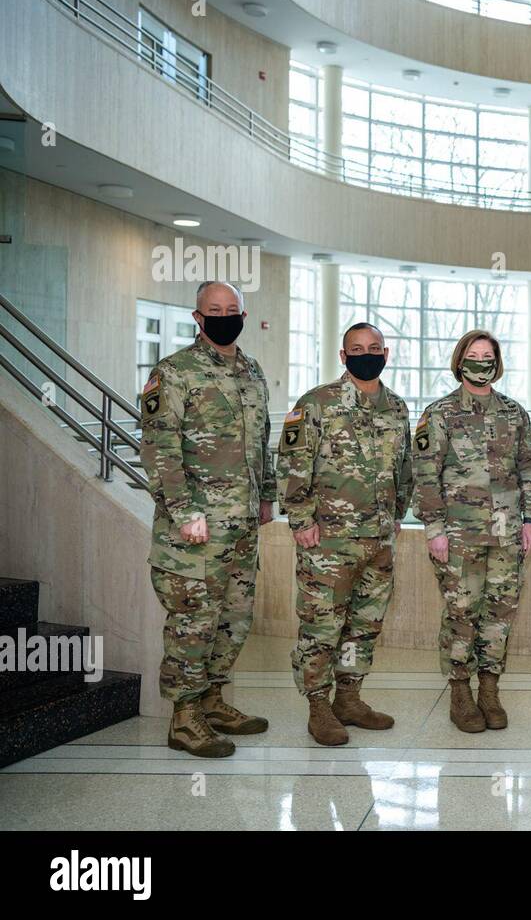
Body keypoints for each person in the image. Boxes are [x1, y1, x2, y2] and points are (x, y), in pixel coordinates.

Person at [140, 280, 274, 759]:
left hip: (240, 528)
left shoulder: (251, 371)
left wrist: (267, 497)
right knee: (193, 624)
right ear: (198, 318)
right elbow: (158, 449)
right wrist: (184, 512)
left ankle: (214, 701)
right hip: (195, 532)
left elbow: (262, 441)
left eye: (232, 309)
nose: (224, 316)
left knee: (234, 621)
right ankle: (184, 718)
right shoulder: (174, 372)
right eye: (214, 310)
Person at [277, 322, 413, 747]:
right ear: (342, 355)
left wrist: (396, 515)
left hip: (379, 540)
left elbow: (405, 468)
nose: (365, 353)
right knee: (321, 626)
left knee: (363, 625)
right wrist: (301, 522)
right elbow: (292, 464)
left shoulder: (397, 408)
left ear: (386, 354)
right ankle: (319, 705)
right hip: (328, 543)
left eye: (373, 347)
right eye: (356, 348)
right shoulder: (317, 403)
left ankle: (349, 698)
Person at [413, 330, 531, 733]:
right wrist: (433, 528)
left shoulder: (515, 413)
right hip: (457, 535)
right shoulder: (439, 414)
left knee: (500, 614)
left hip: (506, 533)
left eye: (488, 355)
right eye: (474, 354)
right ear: (460, 360)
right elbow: (425, 476)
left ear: (497, 362)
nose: (481, 361)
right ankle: (460, 692)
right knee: (461, 613)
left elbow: (529, 468)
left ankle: (489, 689)